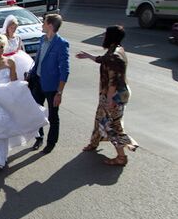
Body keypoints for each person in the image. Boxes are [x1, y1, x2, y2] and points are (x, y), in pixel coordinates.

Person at [0, 34, 49, 170]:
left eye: (1, 47)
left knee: (4, 127)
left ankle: (1, 156)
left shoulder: (10, 62)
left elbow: (14, 82)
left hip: (5, 100)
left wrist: (20, 91)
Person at [76, 25, 138, 166]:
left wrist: (109, 99)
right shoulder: (116, 50)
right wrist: (88, 56)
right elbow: (103, 60)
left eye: (105, 35)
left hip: (114, 96)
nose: (103, 37)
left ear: (110, 37)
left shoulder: (114, 56)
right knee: (100, 119)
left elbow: (113, 81)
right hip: (114, 94)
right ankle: (94, 143)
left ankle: (121, 157)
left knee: (113, 127)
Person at [27, 13, 70, 154]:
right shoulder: (42, 39)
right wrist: (31, 74)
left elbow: (65, 70)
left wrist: (60, 92)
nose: (42, 24)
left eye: (44, 22)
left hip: (52, 87)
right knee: (36, 112)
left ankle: (51, 143)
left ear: (50, 25)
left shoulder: (61, 44)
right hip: (38, 82)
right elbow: (38, 60)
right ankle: (39, 138)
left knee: (53, 116)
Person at [2, 15, 34, 81]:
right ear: (7, 27)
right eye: (11, 27)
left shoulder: (18, 38)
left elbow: (19, 50)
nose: (13, 30)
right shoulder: (3, 38)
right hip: (5, 60)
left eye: (15, 28)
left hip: (17, 60)